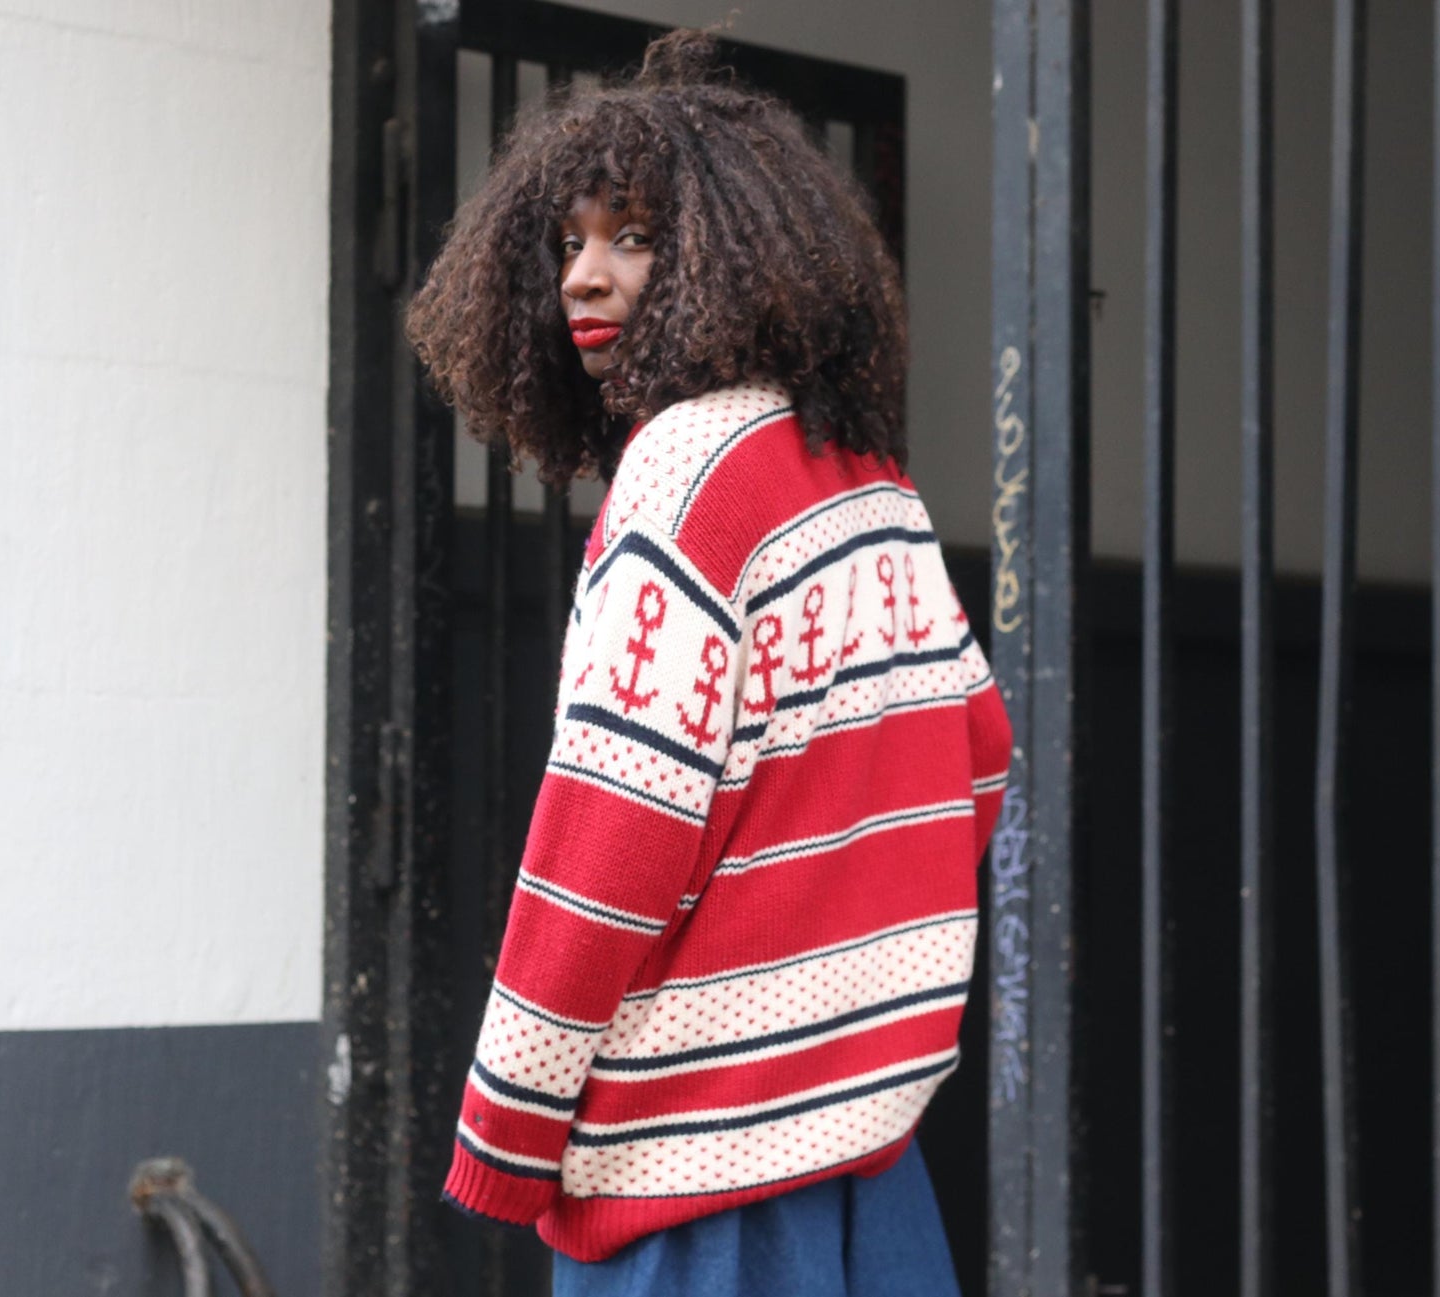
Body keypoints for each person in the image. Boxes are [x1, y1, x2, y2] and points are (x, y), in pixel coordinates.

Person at [405, 28, 1012, 1297]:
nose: (585, 275)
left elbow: (611, 835)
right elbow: (975, 758)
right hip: (867, 1146)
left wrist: (504, 1126)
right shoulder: (871, 486)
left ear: (733, 257)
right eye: (568, 242)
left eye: (632, 238)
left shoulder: (683, 474)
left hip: (692, 1167)